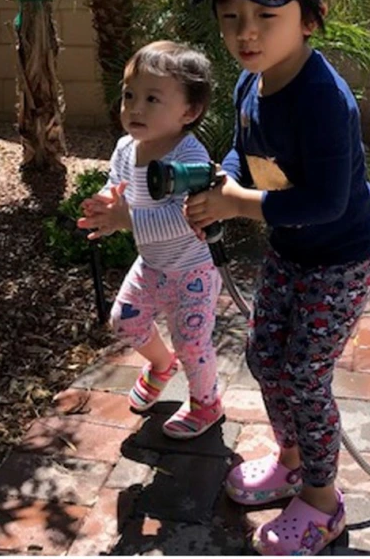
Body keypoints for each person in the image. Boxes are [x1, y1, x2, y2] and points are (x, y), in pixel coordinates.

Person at [185, 0, 370, 556]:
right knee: (263, 357)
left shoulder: (325, 101)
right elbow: (249, 154)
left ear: (311, 16)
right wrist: (225, 179)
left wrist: (237, 203)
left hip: (341, 255)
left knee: (304, 372)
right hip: (290, 249)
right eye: (230, 16)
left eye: (265, 16)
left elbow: (326, 202)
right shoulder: (252, 83)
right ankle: (292, 460)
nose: (245, 33)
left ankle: (325, 504)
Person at [78, 40, 223, 439]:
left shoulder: (189, 157)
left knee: (193, 343)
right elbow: (117, 188)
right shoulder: (127, 148)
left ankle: (207, 403)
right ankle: (161, 364)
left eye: (152, 98)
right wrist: (107, 208)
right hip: (152, 265)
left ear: (189, 112)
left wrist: (127, 219)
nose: (135, 108)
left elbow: (184, 215)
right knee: (125, 320)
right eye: (129, 96)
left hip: (191, 270)